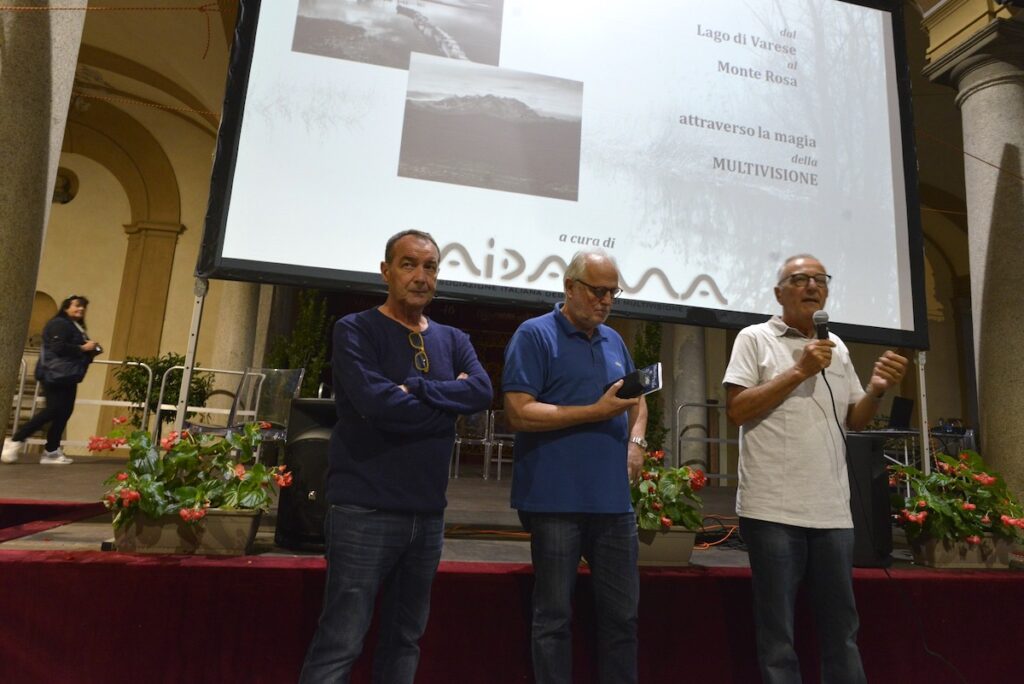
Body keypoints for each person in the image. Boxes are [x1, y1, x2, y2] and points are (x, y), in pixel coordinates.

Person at [299, 230, 492, 683]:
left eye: (430, 267)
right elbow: (374, 403)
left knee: (405, 640)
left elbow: (482, 391)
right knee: (340, 642)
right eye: (409, 264)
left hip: (426, 516)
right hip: (363, 510)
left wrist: (419, 389)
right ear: (386, 270)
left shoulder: (454, 337)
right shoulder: (355, 329)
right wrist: (448, 407)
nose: (421, 276)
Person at [723, 254, 908, 684]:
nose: (812, 286)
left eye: (820, 280)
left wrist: (877, 391)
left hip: (832, 512)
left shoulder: (837, 347)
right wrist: (800, 370)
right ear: (778, 292)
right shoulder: (754, 338)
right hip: (772, 509)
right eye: (800, 279)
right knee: (777, 634)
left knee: (842, 629)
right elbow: (736, 410)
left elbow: (855, 420)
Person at [503, 249, 648, 684]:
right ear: (570, 287)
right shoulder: (534, 335)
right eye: (597, 291)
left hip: (614, 505)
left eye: (612, 293)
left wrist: (636, 442)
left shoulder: (614, 339)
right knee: (553, 618)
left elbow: (636, 399)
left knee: (623, 619)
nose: (605, 301)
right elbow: (518, 412)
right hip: (554, 502)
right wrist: (595, 412)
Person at [2, 295, 102, 465]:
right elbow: (58, 347)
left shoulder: (74, 326)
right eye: (77, 305)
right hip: (54, 375)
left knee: (64, 412)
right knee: (53, 410)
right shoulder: (59, 324)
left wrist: (92, 349)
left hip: (68, 376)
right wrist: (83, 347)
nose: (81, 309)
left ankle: (51, 451)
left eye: (83, 307)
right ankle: (15, 440)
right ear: (66, 307)